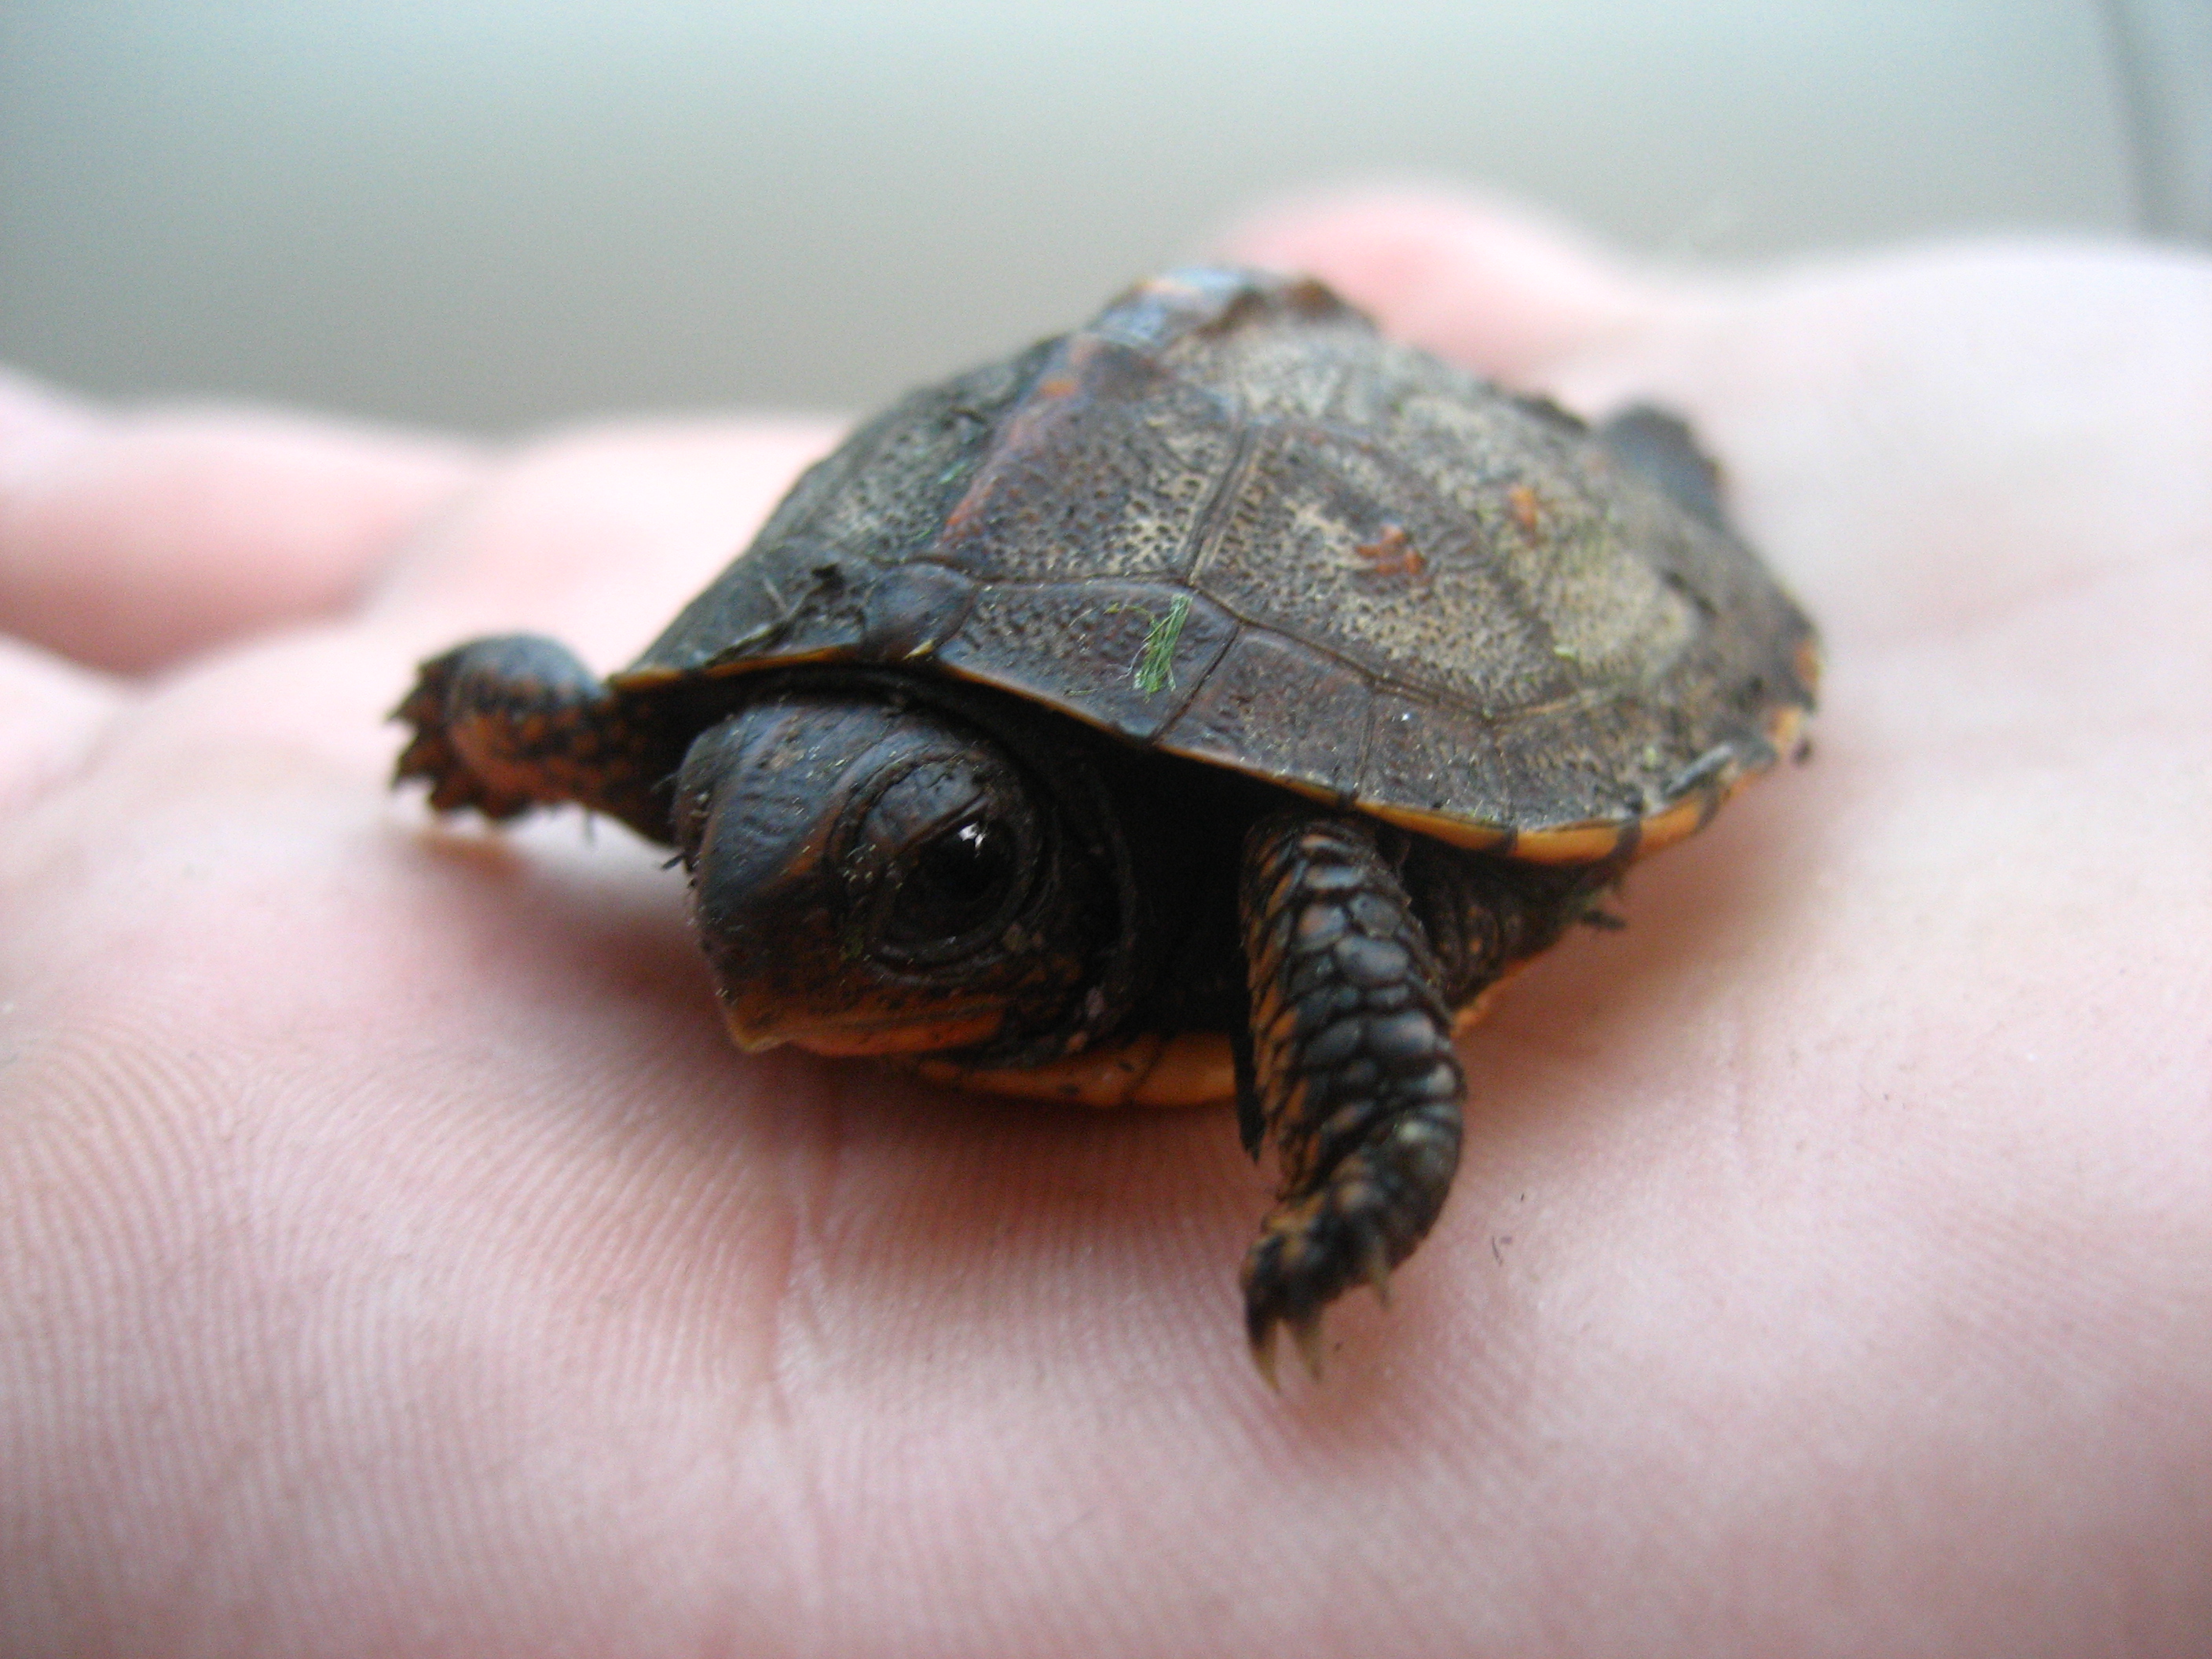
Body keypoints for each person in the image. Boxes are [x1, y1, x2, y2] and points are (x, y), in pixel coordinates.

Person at [2, 190, 2207, 1656]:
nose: (761, 943)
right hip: (913, 582)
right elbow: (572, 707)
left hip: (1394, 541)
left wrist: (1363, 1127)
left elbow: (1321, 857)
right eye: (721, 840)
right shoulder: (714, 775)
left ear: (1041, 865)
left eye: (937, 890)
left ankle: (1652, 461)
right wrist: (533, 746)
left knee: (1322, 840)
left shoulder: (1289, 858)